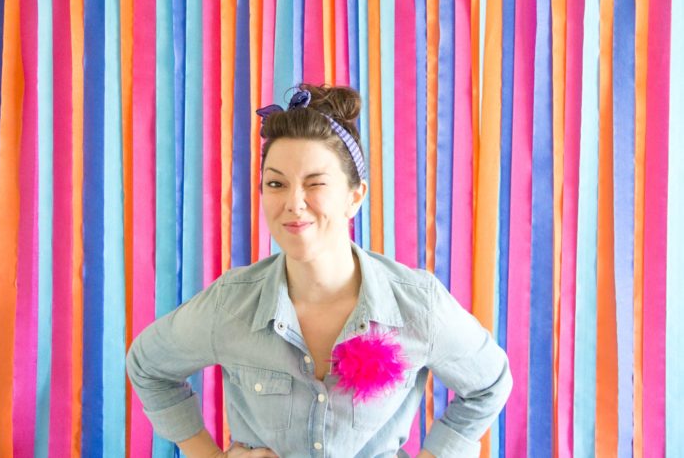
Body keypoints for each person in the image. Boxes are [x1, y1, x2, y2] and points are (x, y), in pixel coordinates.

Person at [126, 84, 512, 458]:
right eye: (276, 183)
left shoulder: (417, 303)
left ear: (354, 196)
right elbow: (148, 367)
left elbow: (489, 385)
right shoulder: (230, 303)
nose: (294, 203)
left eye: (316, 184)